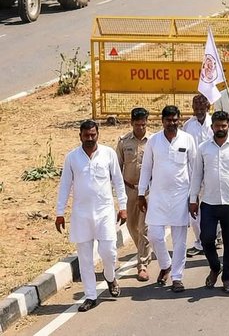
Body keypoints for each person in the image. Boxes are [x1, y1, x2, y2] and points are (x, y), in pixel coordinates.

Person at [55, 120, 127, 312]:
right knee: (85, 258)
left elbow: (118, 182)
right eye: (86, 135)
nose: (90, 138)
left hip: (104, 212)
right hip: (81, 214)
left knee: (109, 252)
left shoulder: (108, 153)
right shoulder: (72, 158)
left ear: (98, 134)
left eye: (93, 134)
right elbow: (64, 186)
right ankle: (90, 296)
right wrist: (59, 212)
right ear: (80, 136)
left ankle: (110, 277)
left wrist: (123, 206)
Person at [188, 111, 229, 295]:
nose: (221, 129)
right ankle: (215, 267)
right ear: (212, 127)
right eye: (218, 126)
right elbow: (196, 175)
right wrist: (193, 199)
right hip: (208, 202)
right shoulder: (203, 148)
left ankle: (227, 279)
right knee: (206, 239)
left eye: (224, 126)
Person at [137, 105, 198, 292]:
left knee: (180, 241)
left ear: (179, 120)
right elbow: (146, 167)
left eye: (175, 120)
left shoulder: (187, 139)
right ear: (162, 121)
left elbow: (194, 169)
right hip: (157, 196)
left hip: (181, 195)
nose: (172, 123)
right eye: (168, 120)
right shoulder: (154, 141)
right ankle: (166, 265)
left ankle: (177, 277)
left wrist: (194, 197)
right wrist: (141, 193)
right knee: (155, 235)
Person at [117, 108, 152, 281]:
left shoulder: (153, 141)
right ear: (131, 123)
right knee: (132, 226)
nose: (140, 128)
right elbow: (117, 168)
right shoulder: (124, 142)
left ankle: (142, 264)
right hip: (129, 189)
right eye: (137, 124)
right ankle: (145, 249)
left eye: (143, 124)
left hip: (147, 191)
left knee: (144, 226)